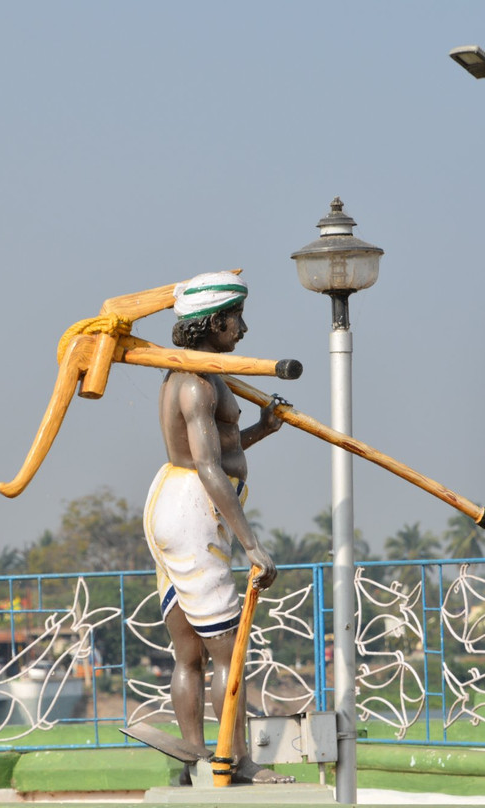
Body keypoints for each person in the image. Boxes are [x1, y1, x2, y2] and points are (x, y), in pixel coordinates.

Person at [143, 271, 294, 785]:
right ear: (214, 323)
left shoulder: (203, 374)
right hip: (193, 509)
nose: (244, 329)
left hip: (174, 500)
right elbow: (209, 467)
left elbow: (218, 450)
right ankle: (237, 761)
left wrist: (262, 429)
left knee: (188, 651)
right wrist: (253, 545)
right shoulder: (194, 382)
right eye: (236, 320)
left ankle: (191, 763)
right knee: (229, 649)